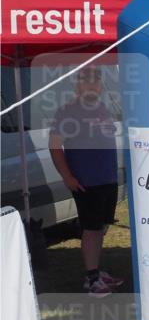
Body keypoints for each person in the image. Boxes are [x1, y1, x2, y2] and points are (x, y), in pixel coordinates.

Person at [48, 67, 125, 298]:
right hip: (86, 181)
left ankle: (96, 272)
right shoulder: (67, 111)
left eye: (96, 82)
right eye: (87, 82)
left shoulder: (103, 107)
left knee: (100, 227)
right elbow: (54, 146)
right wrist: (68, 177)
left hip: (107, 179)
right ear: (78, 85)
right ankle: (92, 278)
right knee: (91, 230)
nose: (93, 86)